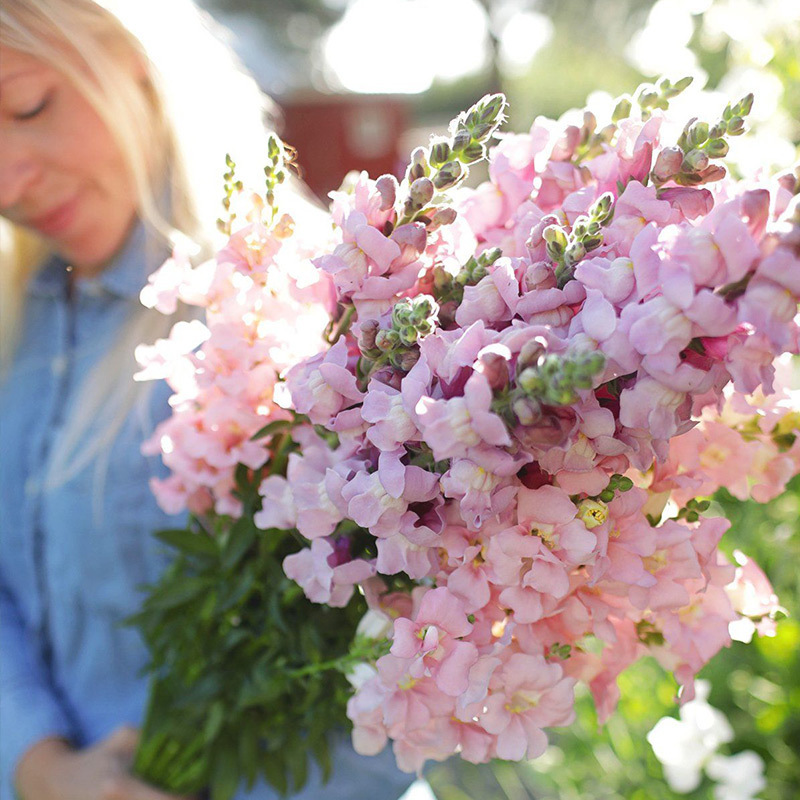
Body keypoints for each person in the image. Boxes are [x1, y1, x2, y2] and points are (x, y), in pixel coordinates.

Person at [0, 2, 421, 798]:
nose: (7, 179)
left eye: (30, 107)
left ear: (131, 57)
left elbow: (397, 663)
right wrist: (40, 768)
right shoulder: (18, 317)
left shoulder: (307, 307)